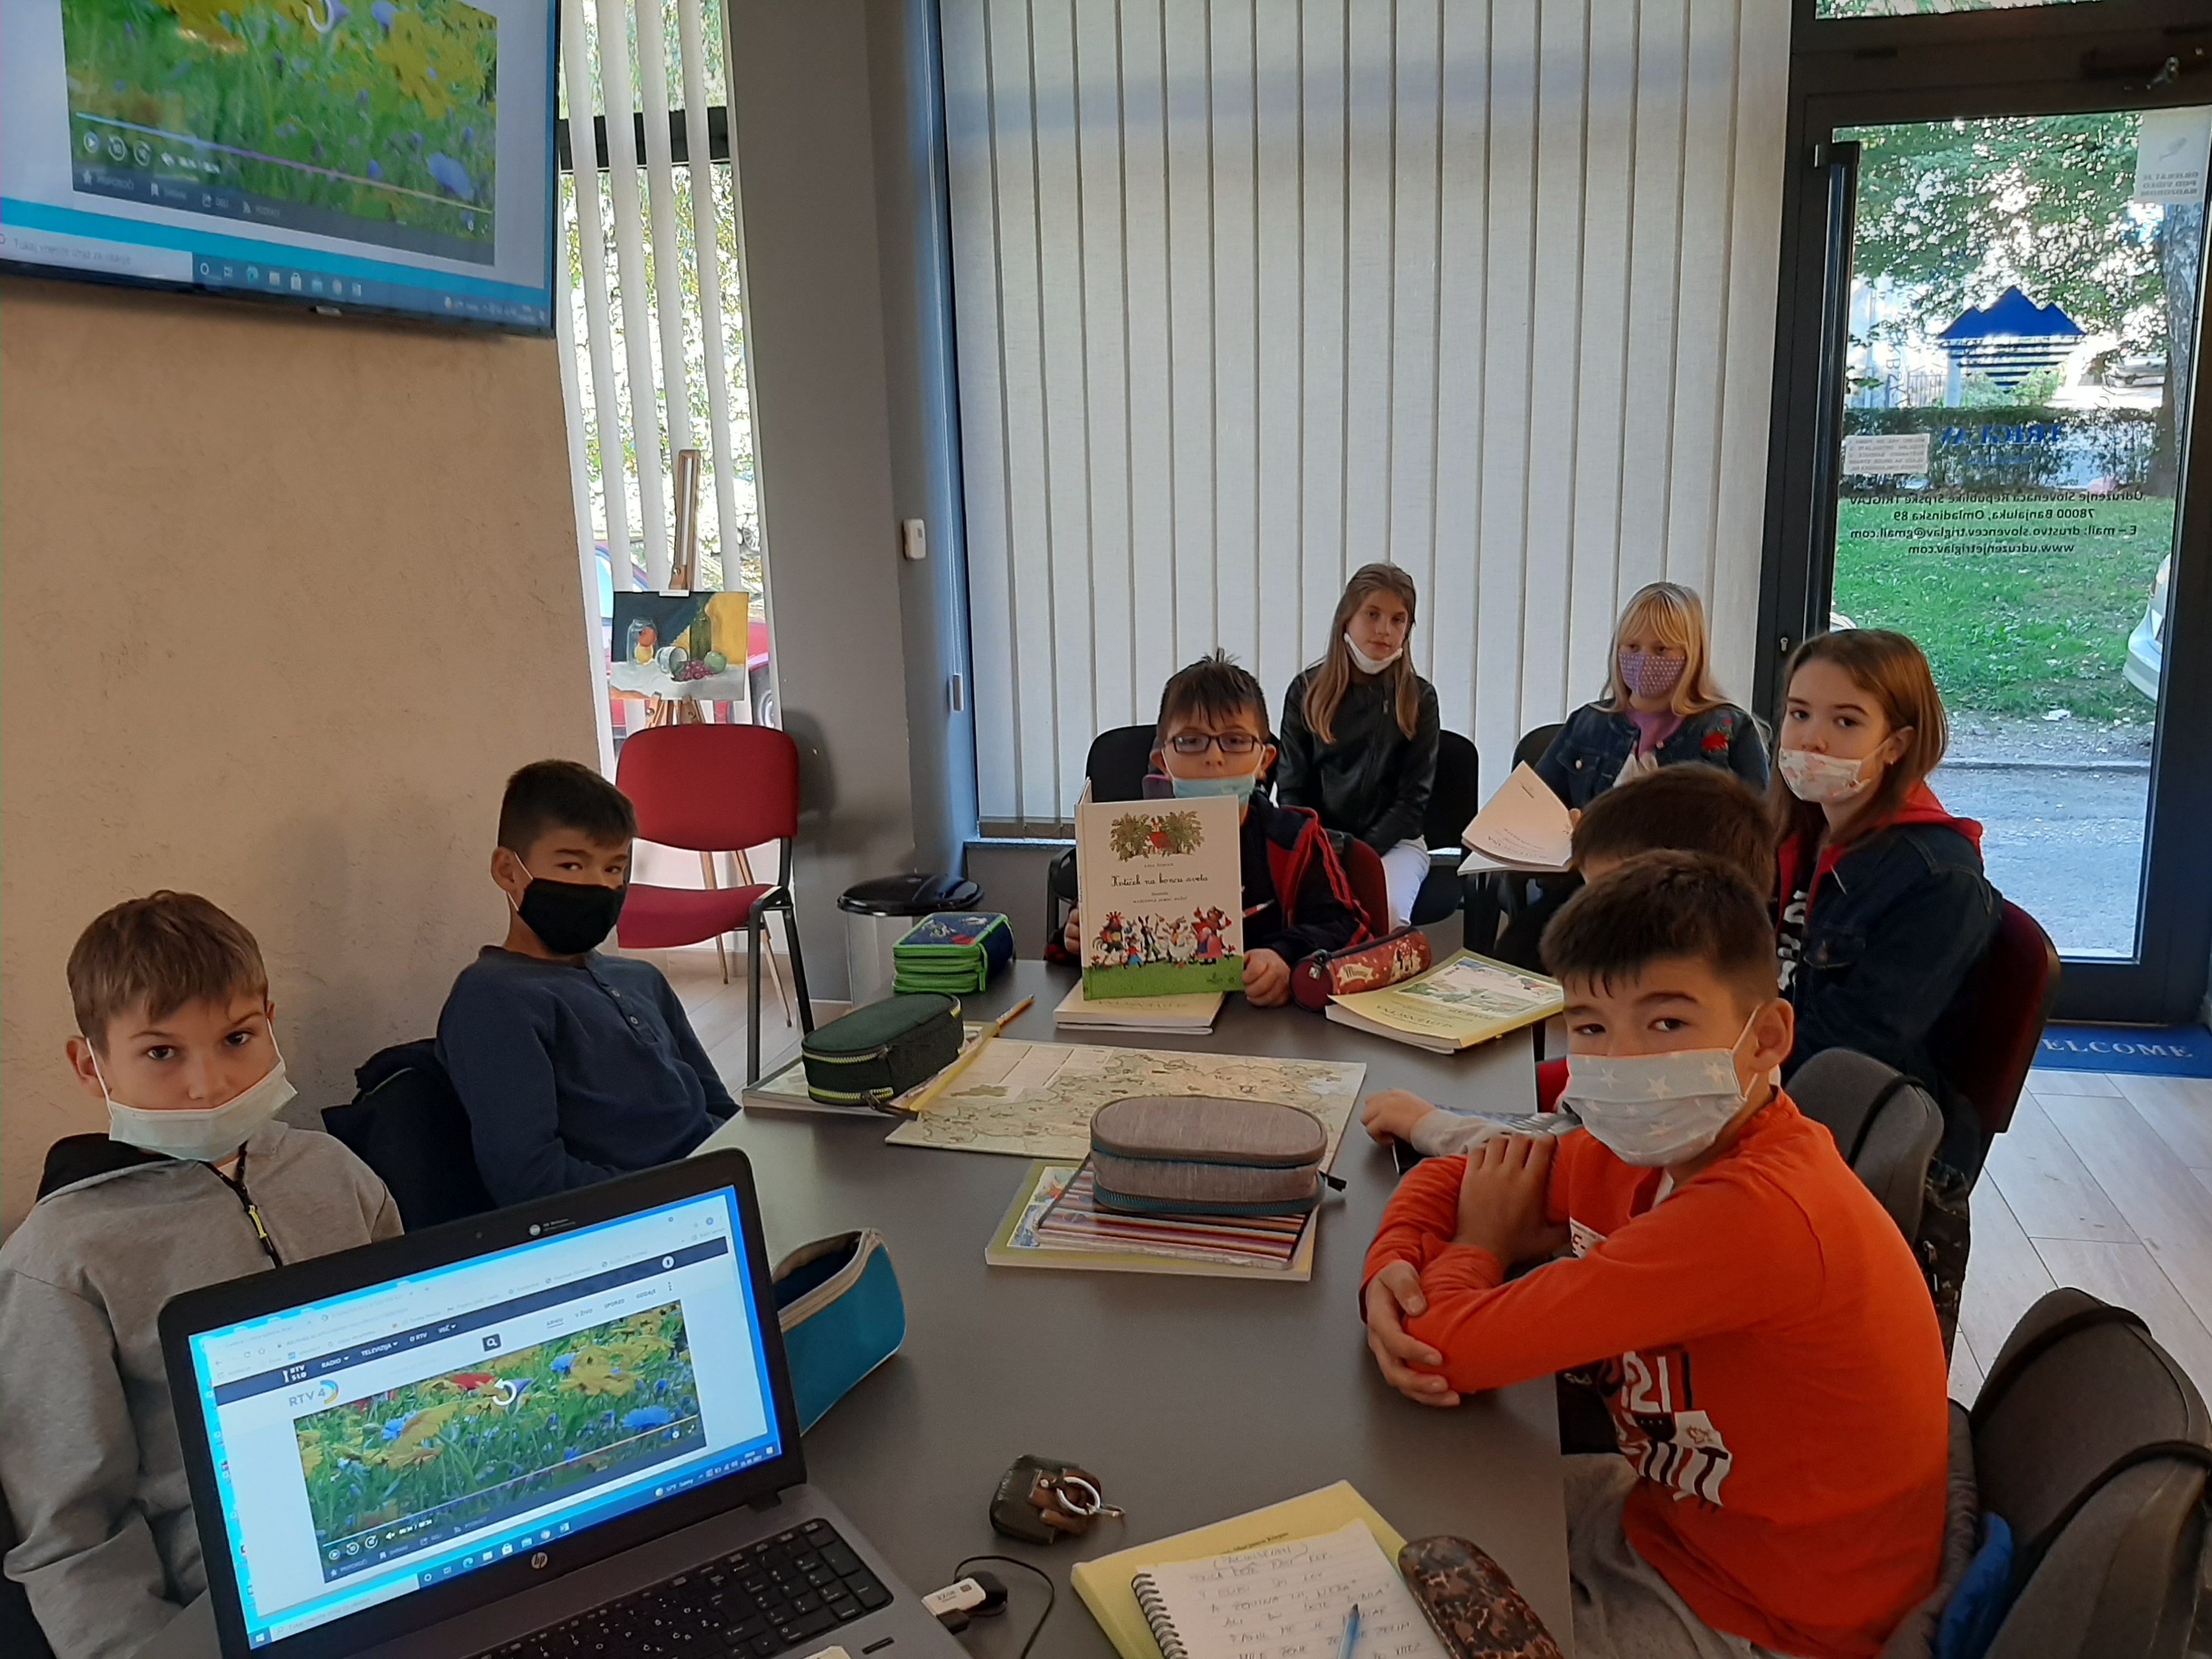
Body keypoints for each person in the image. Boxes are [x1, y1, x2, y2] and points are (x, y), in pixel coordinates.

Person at [1361, 854, 1949, 1658]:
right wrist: (1390, 1266)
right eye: (1591, 1028)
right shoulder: (1650, 1150)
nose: (1623, 1062)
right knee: (1383, 1532)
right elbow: (1456, 1174)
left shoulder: (1756, 1215)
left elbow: (1444, 1347)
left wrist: (1479, 1244)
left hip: (1768, 1617)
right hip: (1669, 1519)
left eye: (1667, 1024)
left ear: (1766, 1038)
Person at [0, 893, 401, 1659]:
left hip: (397, 1526)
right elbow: (74, 1534)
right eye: (162, 1053)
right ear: (91, 1065)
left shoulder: (336, 1173)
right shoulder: (59, 1262)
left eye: (237, 1038)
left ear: (270, 1024)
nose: (209, 1084)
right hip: (229, 1602)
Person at [1365, 766, 1775, 1155]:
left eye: (1616, 904)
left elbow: (1565, 1160)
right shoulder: (1664, 1025)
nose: (1597, 920)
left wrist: (1432, 1127)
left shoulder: (1695, 1097)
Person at [437, 759, 735, 1204]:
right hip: (653, 1216)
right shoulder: (494, 999)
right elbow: (530, 1177)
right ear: (508, 872)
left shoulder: (642, 979)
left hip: (724, 1184)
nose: (599, 885)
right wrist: (678, 1198)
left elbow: (719, 1109)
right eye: (572, 866)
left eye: (614, 869)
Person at [1771, 629, 1998, 1177]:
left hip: (1853, 1134)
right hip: (1771, 1086)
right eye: (1799, 714)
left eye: (1846, 722)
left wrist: (1721, 1079)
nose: (1812, 740)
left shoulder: (1938, 880)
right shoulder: (1801, 831)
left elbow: (1851, 1053)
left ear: (1896, 745)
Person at [1062, 653, 1365, 1006]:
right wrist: (1077, 939)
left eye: (1235, 741)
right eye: (1191, 741)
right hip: (1150, 1015)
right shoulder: (1128, 846)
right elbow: (1080, 949)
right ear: (1163, 763)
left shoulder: (1295, 839)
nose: (1214, 758)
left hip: (1261, 1022)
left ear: (1264, 761)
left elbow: (1349, 928)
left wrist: (1285, 956)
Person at [1275, 564, 1442, 928]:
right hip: (1318, 844)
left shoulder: (1419, 699)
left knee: (1385, 916)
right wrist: (1325, 851)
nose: (1385, 630)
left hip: (1395, 845)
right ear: (1346, 618)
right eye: (1373, 615)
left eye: (1398, 620)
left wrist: (1356, 857)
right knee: (1306, 919)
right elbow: (1292, 791)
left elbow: (1412, 803)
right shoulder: (1305, 692)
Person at [1532, 582, 1767, 810]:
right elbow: (1536, 806)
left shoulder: (1732, 729)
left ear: (1691, 655)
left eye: (1661, 649)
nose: (1644, 660)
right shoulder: (1587, 724)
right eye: (1633, 647)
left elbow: (1759, 822)